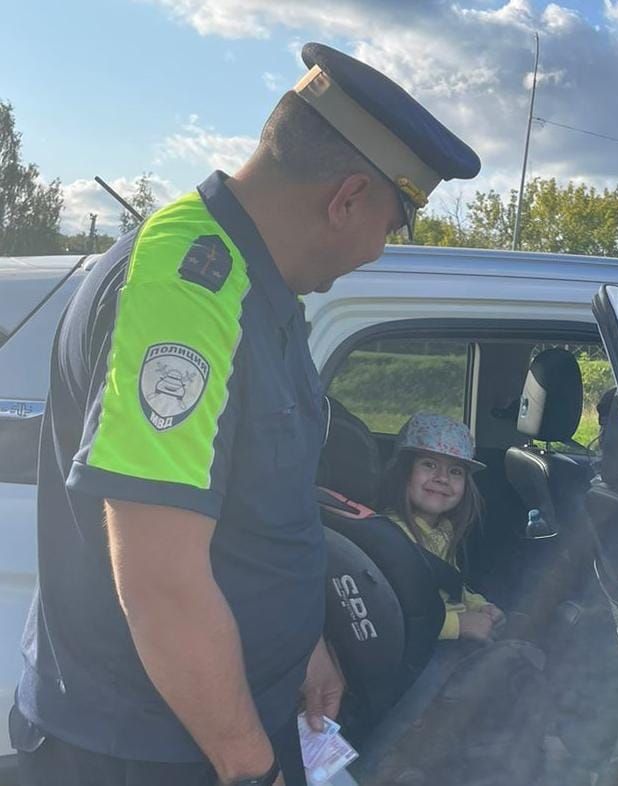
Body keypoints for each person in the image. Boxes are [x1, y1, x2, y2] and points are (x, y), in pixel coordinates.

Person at [10, 44, 480, 786]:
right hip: (149, 746)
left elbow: (264, 504)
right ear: (347, 196)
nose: (380, 253)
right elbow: (161, 577)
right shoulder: (188, 292)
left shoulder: (264, 292)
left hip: (210, 721)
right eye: (393, 227)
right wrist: (249, 763)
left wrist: (301, 645)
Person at [380, 412, 504, 642]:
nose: (442, 478)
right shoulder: (393, 538)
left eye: (455, 471)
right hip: (420, 652)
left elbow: (449, 588)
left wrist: (478, 606)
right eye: (429, 465)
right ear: (404, 472)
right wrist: (459, 624)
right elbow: (394, 614)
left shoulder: (443, 530)